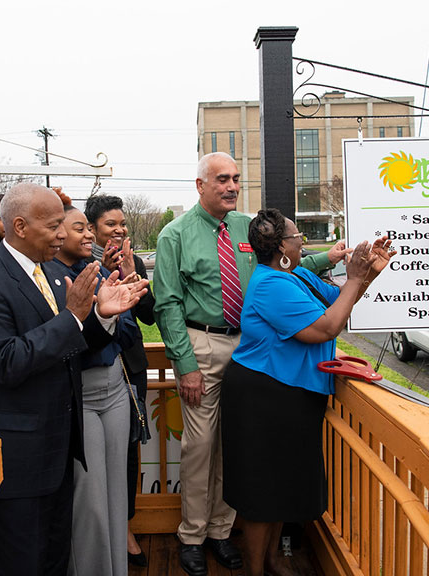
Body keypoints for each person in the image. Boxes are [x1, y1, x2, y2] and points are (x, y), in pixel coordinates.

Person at [153, 152, 349, 576]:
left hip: (251, 352)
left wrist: (327, 259)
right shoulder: (175, 235)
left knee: (238, 447)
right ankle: (192, 535)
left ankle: (223, 532)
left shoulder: (247, 227)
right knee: (200, 446)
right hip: (202, 343)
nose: (232, 186)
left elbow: (285, 262)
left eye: (236, 178)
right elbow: (167, 304)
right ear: (200, 185)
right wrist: (184, 363)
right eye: (222, 179)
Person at [0, 183, 148, 576]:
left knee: (56, 556)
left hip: (61, 446)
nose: (64, 234)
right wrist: (74, 317)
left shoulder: (50, 273)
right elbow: (6, 362)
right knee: (22, 559)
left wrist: (102, 317)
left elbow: (71, 346)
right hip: (20, 454)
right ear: (21, 226)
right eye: (55, 226)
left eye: (65, 224)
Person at [221, 209, 393, 576]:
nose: (303, 243)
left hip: (292, 395)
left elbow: (340, 300)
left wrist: (369, 274)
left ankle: (272, 558)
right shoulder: (270, 285)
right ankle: (255, 570)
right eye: (298, 238)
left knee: (282, 485)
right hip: (263, 397)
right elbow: (326, 328)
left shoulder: (296, 275)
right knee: (260, 492)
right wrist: (355, 277)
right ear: (283, 246)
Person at [50, 200, 139, 575]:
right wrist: (101, 322)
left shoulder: (101, 271)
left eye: (89, 228)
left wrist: (115, 308)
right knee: (90, 501)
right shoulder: (51, 276)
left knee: (116, 492)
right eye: (79, 228)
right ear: (57, 235)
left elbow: (131, 332)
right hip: (79, 393)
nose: (88, 234)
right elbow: (69, 345)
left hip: (115, 389)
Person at [83, 193, 155, 567]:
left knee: (128, 450)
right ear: (92, 228)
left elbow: (149, 315)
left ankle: (124, 525)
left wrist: (133, 273)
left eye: (122, 223)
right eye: (111, 224)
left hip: (131, 368)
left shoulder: (134, 260)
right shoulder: (80, 263)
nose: (119, 230)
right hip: (94, 375)